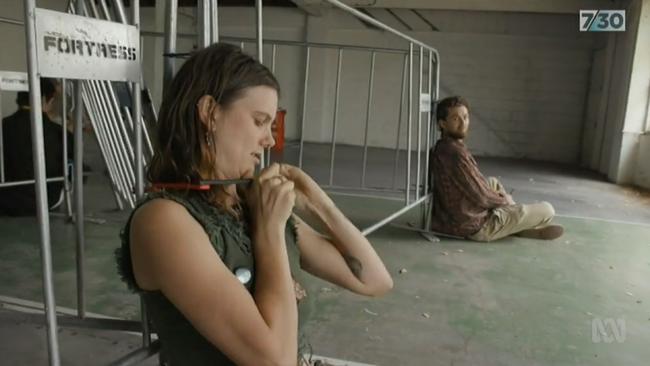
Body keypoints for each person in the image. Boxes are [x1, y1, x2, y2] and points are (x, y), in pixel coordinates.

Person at [116, 43, 393, 366]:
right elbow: (274, 361)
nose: (270, 140)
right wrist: (270, 232)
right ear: (210, 113)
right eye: (259, 121)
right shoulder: (163, 221)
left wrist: (317, 204)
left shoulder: (246, 205)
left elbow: (374, 280)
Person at [428, 96, 564, 242]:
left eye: (465, 117)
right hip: (473, 226)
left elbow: (475, 187)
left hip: (454, 217)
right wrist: (504, 200)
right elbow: (482, 197)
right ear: (443, 123)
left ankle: (516, 226)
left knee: (492, 182)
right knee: (547, 209)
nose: (463, 123)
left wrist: (497, 198)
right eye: (455, 119)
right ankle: (514, 224)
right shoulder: (455, 153)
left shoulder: (444, 146)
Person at [0, 78, 72, 216]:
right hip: (44, 200)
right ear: (44, 100)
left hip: (5, 200)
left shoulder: (4, 125)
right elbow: (74, 163)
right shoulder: (57, 131)